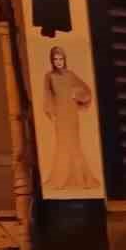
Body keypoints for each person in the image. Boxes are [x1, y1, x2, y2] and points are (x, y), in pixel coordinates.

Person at [42, 46, 94, 192]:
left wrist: (76, 95)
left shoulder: (70, 74)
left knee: (75, 144)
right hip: (60, 113)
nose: (58, 61)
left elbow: (86, 90)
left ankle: (82, 180)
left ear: (64, 59)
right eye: (55, 59)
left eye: (61, 58)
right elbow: (47, 95)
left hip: (71, 113)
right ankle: (60, 181)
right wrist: (51, 112)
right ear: (51, 60)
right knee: (62, 144)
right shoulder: (49, 76)